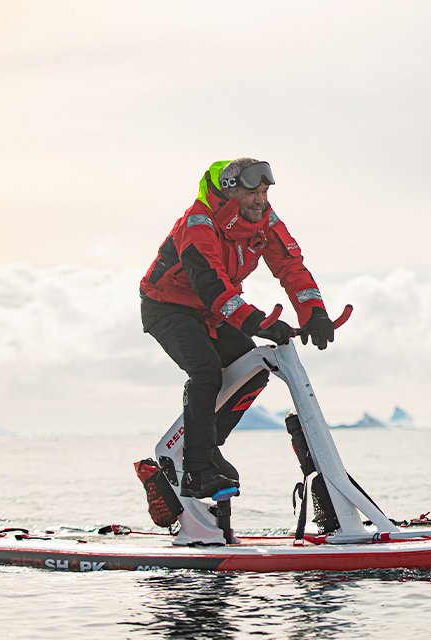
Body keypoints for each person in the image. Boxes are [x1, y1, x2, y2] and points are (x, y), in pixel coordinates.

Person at [139, 158, 335, 498]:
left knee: (253, 370)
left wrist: (314, 313)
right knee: (206, 370)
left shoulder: (264, 220)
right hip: (168, 305)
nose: (261, 200)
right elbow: (211, 286)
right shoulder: (198, 223)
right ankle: (197, 471)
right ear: (230, 193)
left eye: (264, 191)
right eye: (252, 193)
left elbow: (290, 265)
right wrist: (256, 322)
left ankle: (206, 446)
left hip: (210, 312)